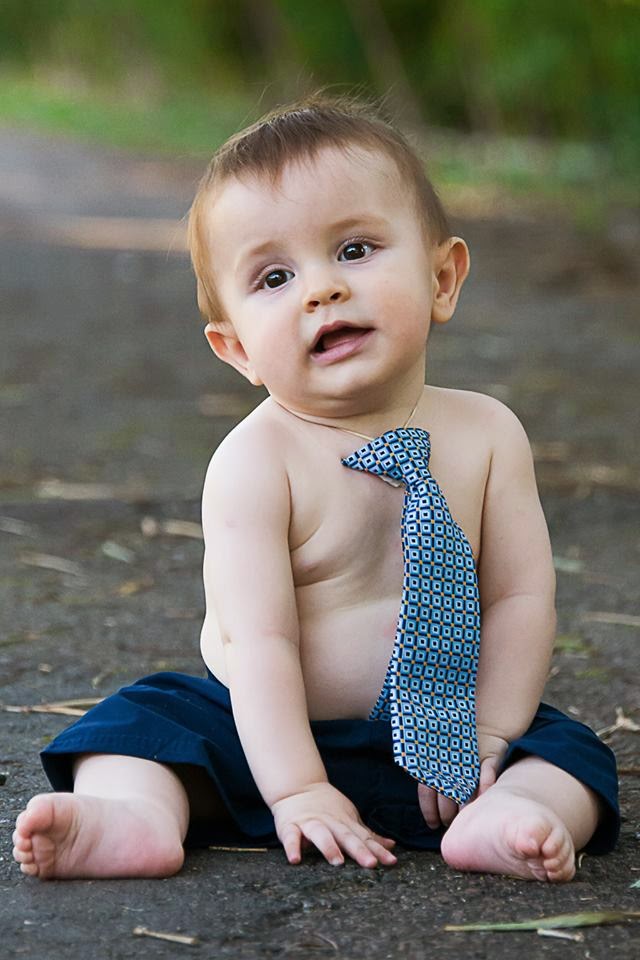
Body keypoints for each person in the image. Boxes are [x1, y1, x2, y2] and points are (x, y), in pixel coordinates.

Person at [13, 96, 618, 882]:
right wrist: (296, 787)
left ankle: (510, 816)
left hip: (447, 740)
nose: (321, 289)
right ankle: (133, 816)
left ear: (442, 278)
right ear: (237, 349)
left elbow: (519, 598)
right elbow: (259, 642)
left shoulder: (489, 434)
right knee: (140, 724)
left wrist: (490, 733)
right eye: (275, 277)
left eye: (355, 250)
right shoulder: (255, 462)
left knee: (570, 754)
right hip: (267, 735)